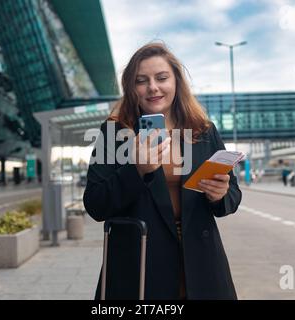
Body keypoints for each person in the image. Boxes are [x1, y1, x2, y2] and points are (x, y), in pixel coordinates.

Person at [83, 42, 242, 300]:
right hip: (140, 265)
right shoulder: (114, 134)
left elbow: (232, 196)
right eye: (141, 81)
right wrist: (136, 170)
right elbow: (95, 205)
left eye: (162, 78)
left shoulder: (203, 130)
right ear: (131, 89)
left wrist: (220, 194)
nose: (153, 87)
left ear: (176, 82)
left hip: (202, 265)